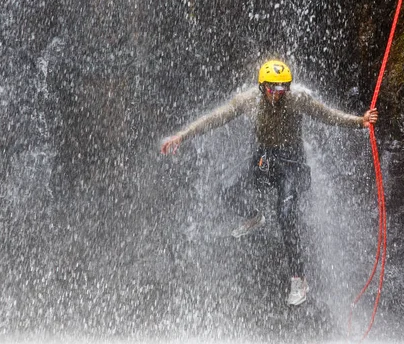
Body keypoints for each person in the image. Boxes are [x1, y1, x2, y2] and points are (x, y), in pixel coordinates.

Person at [160, 60, 378, 306]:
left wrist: (360, 121)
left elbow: (328, 115)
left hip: (292, 164)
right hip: (264, 159)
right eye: (273, 89)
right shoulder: (247, 100)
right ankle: (253, 217)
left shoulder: (298, 99)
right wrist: (182, 135)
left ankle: (299, 280)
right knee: (227, 189)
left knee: (285, 215)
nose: (278, 94)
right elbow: (216, 118)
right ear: (262, 86)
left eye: (283, 88)